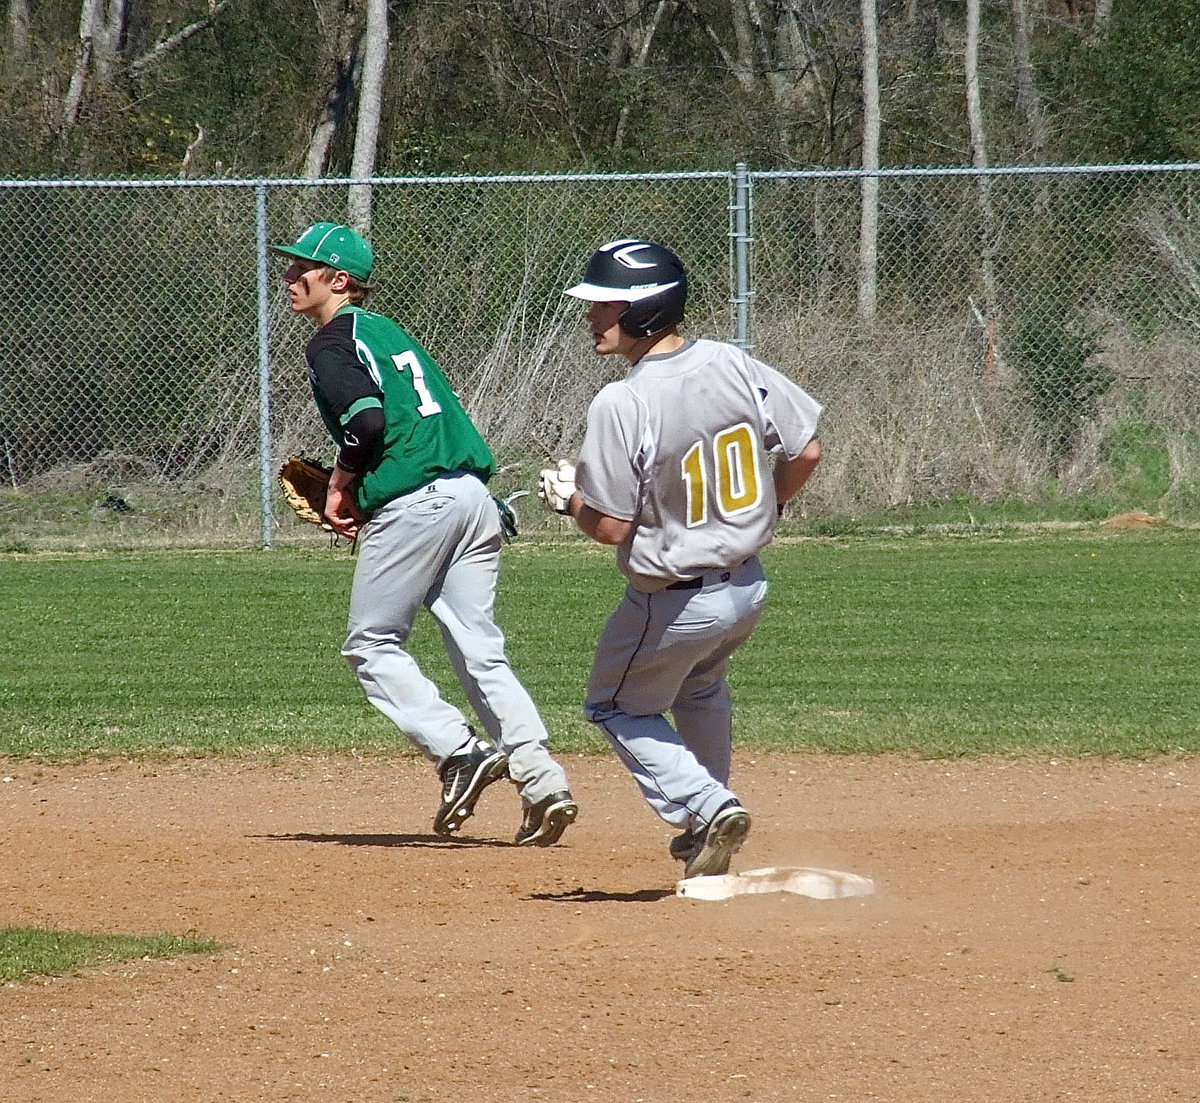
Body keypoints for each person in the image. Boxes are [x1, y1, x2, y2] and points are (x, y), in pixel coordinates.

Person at [270, 221, 577, 846]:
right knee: (478, 648)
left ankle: (460, 753)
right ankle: (542, 779)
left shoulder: (332, 340)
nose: (288, 278)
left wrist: (342, 483)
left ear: (339, 279)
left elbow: (368, 423)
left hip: (418, 503)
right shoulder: (391, 333)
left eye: (302, 267)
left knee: (372, 645)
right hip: (471, 497)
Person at [538, 238, 821, 877]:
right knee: (700, 686)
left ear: (641, 311)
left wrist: (569, 502)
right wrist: (767, 509)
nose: (591, 317)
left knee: (615, 707)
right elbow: (805, 451)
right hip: (747, 590)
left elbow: (611, 527)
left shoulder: (623, 400)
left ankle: (707, 806)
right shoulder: (732, 362)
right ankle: (706, 832)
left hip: (673, 601)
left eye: (604, 305)